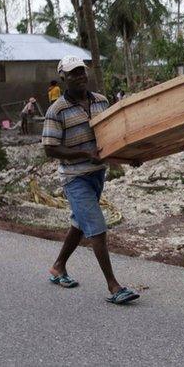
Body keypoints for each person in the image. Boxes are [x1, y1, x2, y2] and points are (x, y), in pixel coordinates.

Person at [42, 56, 139, 305]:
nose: (79, 77)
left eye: (81, 72)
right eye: (73, 73)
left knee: (80, 223)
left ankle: (58, 266)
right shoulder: (56, 111)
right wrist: (85, 154)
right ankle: (114, 286)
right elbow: (50, 148)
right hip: (75, 177)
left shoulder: (101, 102)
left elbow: (111, 137)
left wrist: (130, 157)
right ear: (63, 77)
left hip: (97, 173)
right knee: (96, 226)